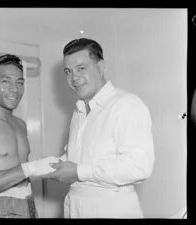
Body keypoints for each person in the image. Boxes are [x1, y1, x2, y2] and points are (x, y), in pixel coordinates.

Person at [42, 38, 155, 218]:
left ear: (101, 66)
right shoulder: (79, 110)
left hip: (112, 209)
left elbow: (138, 167)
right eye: (68, 71)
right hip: (76, 206)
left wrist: (78, 172)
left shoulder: (126, 104)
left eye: (81, 68)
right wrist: (55, 165)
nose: (74, 78)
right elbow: (83, 156)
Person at [0, 54, 59, 218]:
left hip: (26, 204)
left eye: (20, 82)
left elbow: (21, 177)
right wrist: (31, 168)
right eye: (6, 81)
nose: (15, 89)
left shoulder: (20, 124)